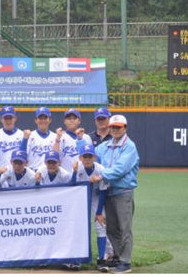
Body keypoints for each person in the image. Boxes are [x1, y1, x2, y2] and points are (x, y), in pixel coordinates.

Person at [90, 115, 140, 274]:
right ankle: (118, 257)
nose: (115, 130)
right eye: (113, 127)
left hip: (123, 192)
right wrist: (79, 140)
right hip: (108, 192)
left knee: (124, 228)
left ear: (125, 128)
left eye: (118, 127)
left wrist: (101, 176)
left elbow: (120, 169)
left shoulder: (129, 146)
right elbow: (90, 154)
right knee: (111, 228)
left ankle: (126, 262)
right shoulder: (104, 146)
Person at [71, 144, 113, 272]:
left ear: (94, 157)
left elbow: (103, 191)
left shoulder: (100, 169)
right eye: (85, 156)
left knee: (101, 226)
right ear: (80, 157)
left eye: (90, 156)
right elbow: (71, 186)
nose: (88, 159)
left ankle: (102, 259)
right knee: (79, 227)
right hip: (80, 198)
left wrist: (99, 212)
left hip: (96, 197)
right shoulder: (77, 167)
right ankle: (78, 258)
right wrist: (74, 172)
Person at [56, 108, 92, 174]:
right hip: (66, 176)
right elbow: (55, 156)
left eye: (74, 118)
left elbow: (90, 158)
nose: (72, 120)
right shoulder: (60, 136)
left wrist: (80, 139)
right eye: (69, 118)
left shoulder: (86, 137)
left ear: (79, 121)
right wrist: (57, 139)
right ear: (64, 121)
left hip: (83, 175)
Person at [23, 107, 59, 171]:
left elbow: (58, 157)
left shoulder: (55, 137)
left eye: (45, 118)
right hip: (33, 172)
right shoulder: (30, 136)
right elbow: (23, 155)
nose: (43, 120)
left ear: (50, 120)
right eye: (40, 118)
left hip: (49, 173)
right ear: (36, 120)